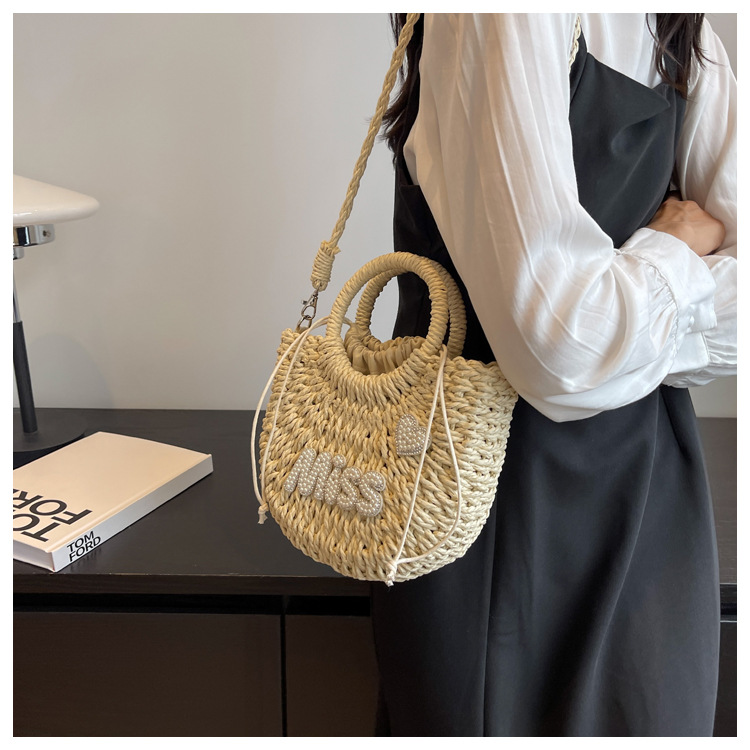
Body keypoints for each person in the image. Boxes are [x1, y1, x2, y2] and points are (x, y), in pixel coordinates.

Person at [370, 13, 737, 737]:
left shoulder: (685, 30)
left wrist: (615, 319)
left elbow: (582, 342)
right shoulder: (497, 18)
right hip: (487, 506)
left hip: (653, 505)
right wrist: (673, 253)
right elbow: (558, 346)